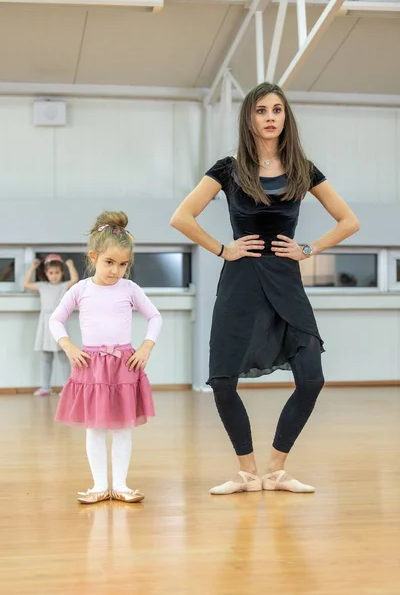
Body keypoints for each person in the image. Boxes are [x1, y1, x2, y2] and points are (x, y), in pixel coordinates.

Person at [170, 82, 360, 495]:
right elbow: (181, 217)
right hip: (241, 282)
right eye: (261, 110)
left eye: (277, 110)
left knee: (311, 378)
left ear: (285, 118)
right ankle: (245, 471)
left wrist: (309, 248)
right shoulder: (227, 169)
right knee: (222, 382)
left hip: (286, 282)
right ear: (249, 119)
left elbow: (349, 221)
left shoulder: (304, 170)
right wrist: (223, 249)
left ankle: (275, 469)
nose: (270, 117)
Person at [49, 211, 162, 504]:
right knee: (95, 428)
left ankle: (121, 485)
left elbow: (155, 317)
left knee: (123, 427)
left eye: (123, 264)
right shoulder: (80, 290)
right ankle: (100, 485)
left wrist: (146, 346)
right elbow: (55, 320)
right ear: (93, 256)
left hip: (124, 366)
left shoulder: (130, 289)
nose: (115, 270)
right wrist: (69, 347)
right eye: (109, 262)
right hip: (91, 367)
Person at [24, 254, 78, 396]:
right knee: (46, 357)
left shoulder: (62, 286)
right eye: (51, 273)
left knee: (62, 356)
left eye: (57, 273)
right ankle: (45, 387)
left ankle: (67, 387)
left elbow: (74, 280)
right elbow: (26, 284)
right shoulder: (42, 286)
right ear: (46, 273)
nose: (54, 276)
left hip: (58, 322)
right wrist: (33, 267)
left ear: (61, 273)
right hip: (44, 323)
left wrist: (70, 265)